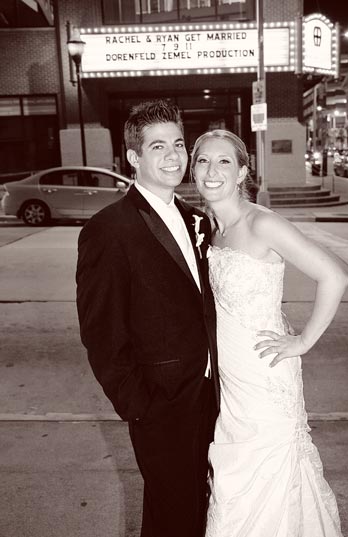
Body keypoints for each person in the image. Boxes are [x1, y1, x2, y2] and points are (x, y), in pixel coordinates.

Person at [192, 129, 348, 536]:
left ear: (242, 170)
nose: (212, 171)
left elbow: (334, 276)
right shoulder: (214, 228)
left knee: (267, 476)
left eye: (224, 161)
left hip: (265, 374)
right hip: (232, 381)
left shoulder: (263, 224)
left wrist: (302, 342)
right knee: (235, 477)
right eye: (203, 161)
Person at [76, 100, 218, 536]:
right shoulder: (109, 228)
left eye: (178, 143)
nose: (174, 156)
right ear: (134, 158)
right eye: (158, 147)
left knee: (199, 508)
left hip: (214, 396)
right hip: (161, 405)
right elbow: (101, 332)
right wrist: (139, 407)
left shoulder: (198, 220)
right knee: (174, 514)